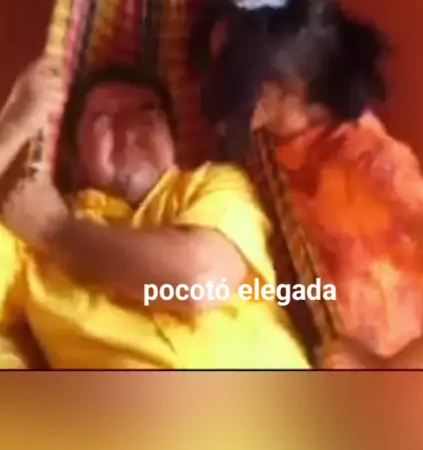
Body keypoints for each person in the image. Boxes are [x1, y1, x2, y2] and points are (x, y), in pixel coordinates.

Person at [191, 0, 423, 369]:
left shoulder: (370, 169)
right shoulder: (273, 137)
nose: (210, 88)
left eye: (229, 77)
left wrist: (390, 375)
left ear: (288, 87)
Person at [0, 56, 309, 369]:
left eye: (146, 111)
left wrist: (56, 229)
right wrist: (12, 127)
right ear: (75, 157)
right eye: (102, 118)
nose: (128, 126)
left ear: (174, 142)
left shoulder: (213, 184)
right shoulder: (28, 235)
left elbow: (198, 282)